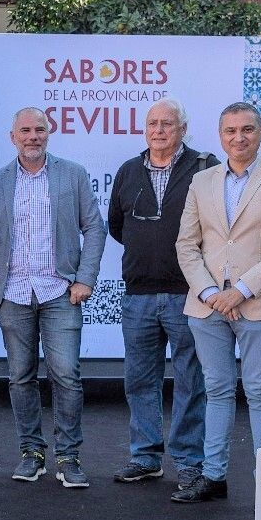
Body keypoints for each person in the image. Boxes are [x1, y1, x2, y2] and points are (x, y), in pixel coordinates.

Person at [172, 100, 261, 503]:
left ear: (260, 133)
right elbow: (186, 245)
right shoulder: (203, 181)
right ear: (220, 135)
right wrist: (212, 293)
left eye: (246, 129)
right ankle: (213, 476)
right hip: (207, 306)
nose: (238, 137)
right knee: (216, 389)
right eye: (230, 131)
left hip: (259, 304)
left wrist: (241, 290)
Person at [0, 106, 106, 489]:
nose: (33, 136)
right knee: (20, 377)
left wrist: (86, 278)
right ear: (12, 137)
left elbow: (94, 229)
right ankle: (31, 453)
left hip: (60, 292)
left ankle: (68, 457)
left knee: (66, 375)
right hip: (12, 294)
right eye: (25, 130)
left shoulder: (73, 174)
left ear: (49, 133)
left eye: (40, 130)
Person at [105, 97, 218, 492]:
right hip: (138, 294)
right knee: (139, 379)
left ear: (182, 129)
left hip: (188, 293)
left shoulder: (204, 168)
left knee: (191, 380)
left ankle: (188, 461)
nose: (158, 130)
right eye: (152, 123)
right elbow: (116, 226)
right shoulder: (128, 171)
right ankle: (145, 457)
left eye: (167, 123)